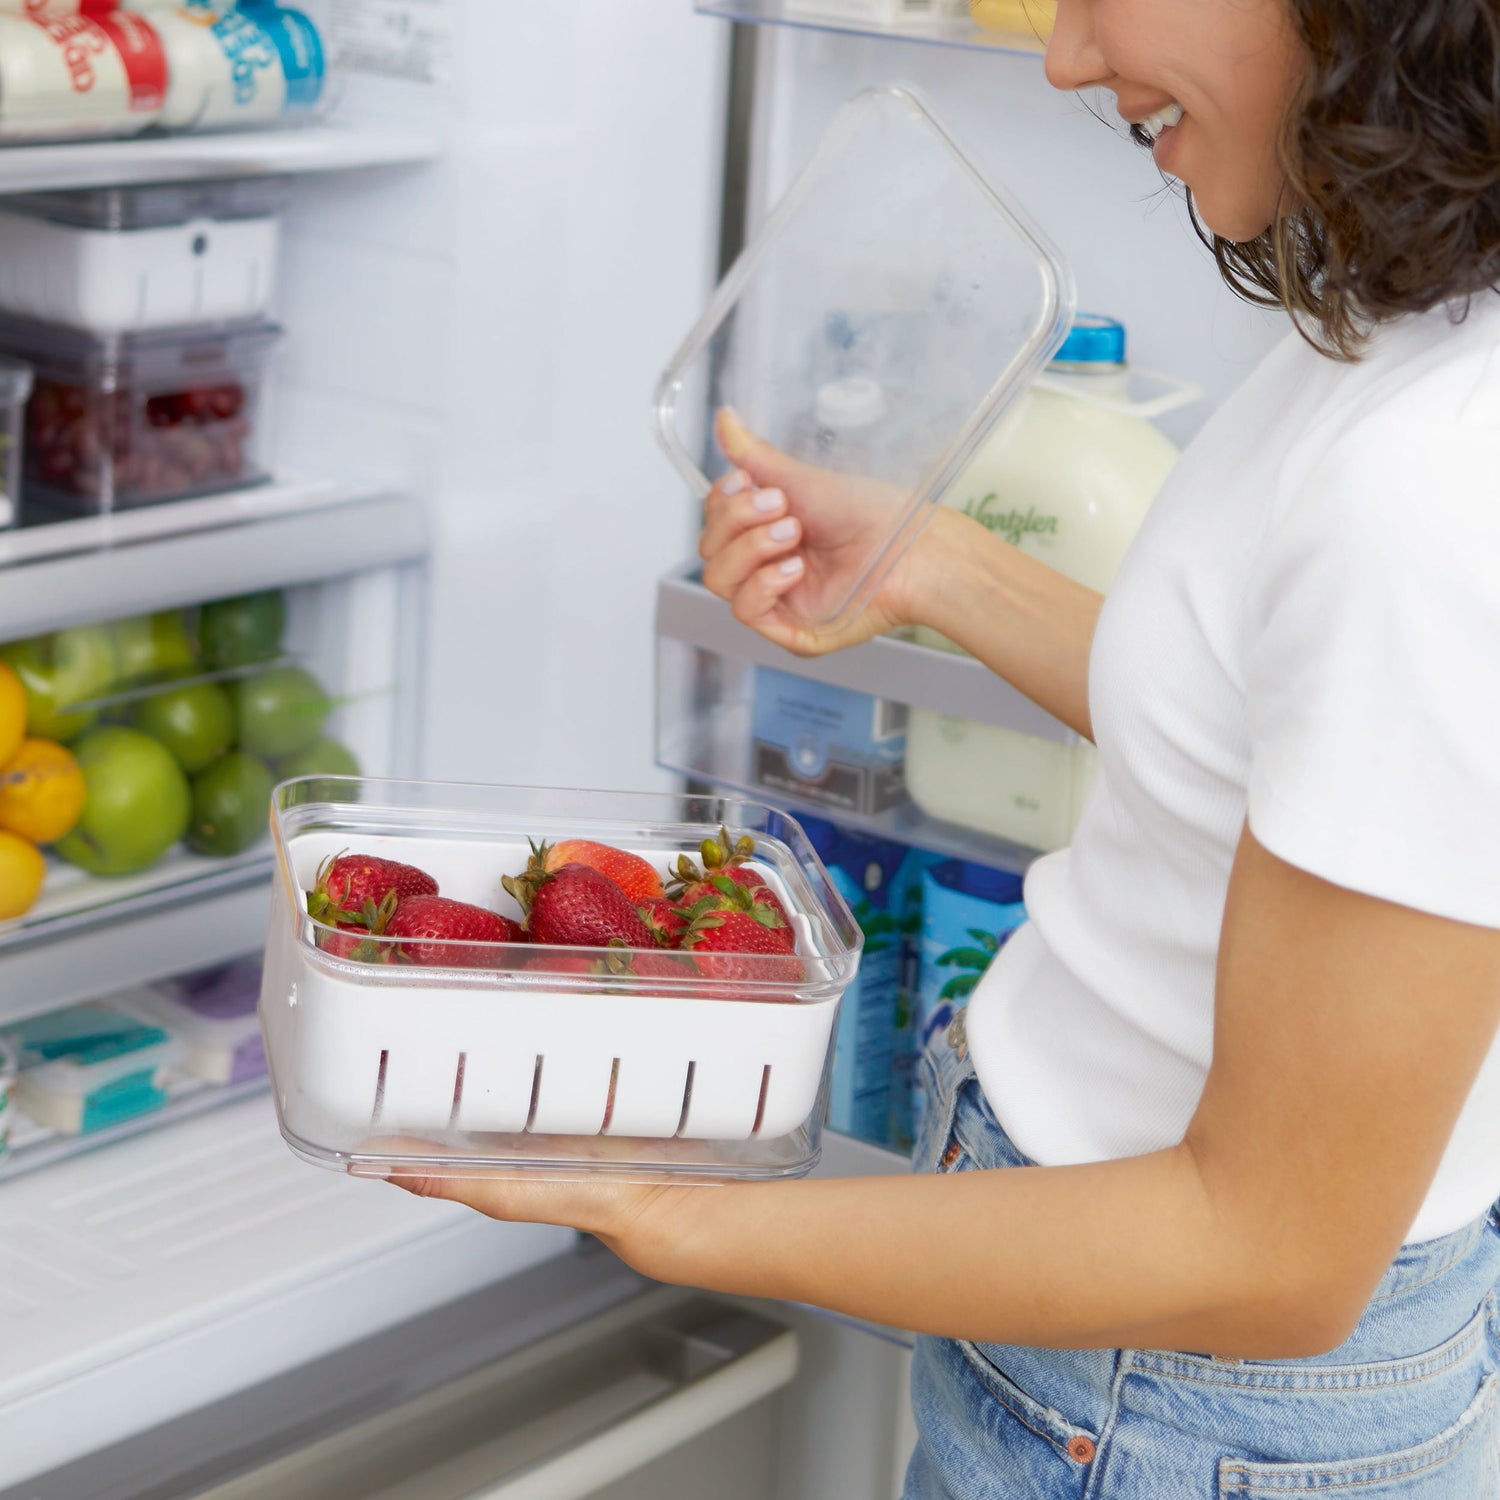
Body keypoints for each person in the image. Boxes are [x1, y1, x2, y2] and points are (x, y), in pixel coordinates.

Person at [384, 1, 1500, 1492]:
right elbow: (1267, 738)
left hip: (1173, 1398)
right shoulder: (1419, 328)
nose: (1063, 56)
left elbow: (1274, 1254)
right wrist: (936, 567)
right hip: (1131, 1354)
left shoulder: (1431, 487)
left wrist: (678, 1209)